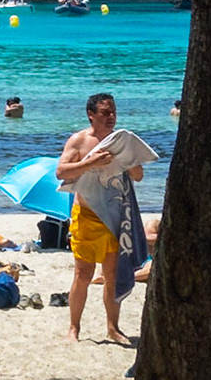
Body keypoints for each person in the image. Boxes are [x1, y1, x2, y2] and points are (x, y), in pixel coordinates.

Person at [56, 91, 146, 345]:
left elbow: (138, 175)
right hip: (86, 215)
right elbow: (61, 172)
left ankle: (112, 328)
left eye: (113, 112)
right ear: (91, 115)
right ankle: (73, 328)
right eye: (105, 113)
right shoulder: (79, 140)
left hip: (116, 216)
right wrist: (90, 162)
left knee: (112, 274)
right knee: (83, 274)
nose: (111, 117)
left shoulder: (122, 142)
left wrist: (124, 160)